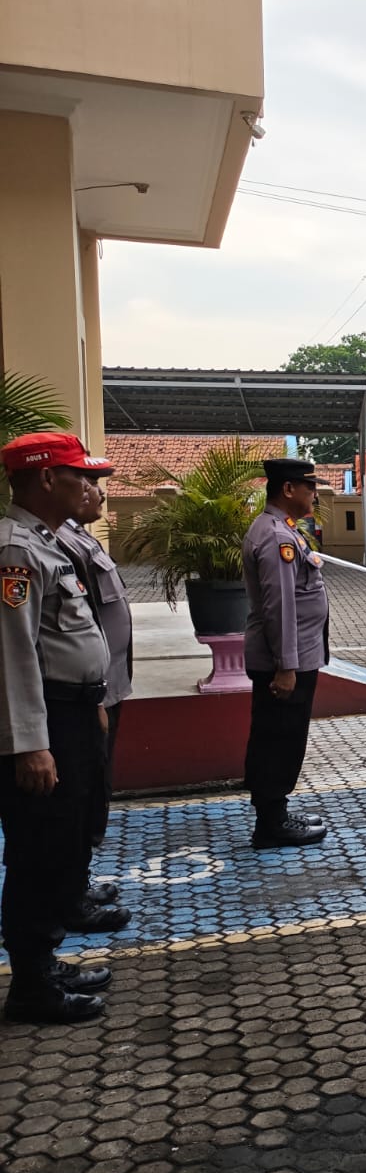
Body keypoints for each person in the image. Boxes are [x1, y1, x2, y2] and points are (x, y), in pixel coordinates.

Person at [0, 432, 117, 1023]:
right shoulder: (15, 550)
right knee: (38, 851)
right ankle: (31, 987)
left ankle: (43, 963)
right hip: (45, 722)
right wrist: (30, 744)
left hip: (70, 712)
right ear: (46, 478)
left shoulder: (47, 542)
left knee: (64, 839)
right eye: (81, 476)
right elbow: (13, 653)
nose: (91, 487)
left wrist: (91, 699)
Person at [243, 458, 333, 849]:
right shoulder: (275, 537)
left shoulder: (285, 529)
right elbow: (279, 606)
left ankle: (276, 811)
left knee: (284, 736)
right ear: (288, 489)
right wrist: (286, 667)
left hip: (294, 656)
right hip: (284, 661)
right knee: (278, 739)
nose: (315, 494)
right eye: (310, 487)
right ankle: (271, 824)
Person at [57, 477, 135, 925]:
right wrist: (97, 698)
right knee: (77, 795)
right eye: (88, 482)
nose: (99, 492)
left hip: (107, 687)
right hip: (89, 694)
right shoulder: (57, 545)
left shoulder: (78, 537)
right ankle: (67, 898)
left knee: (93, 791)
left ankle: (76, 881)